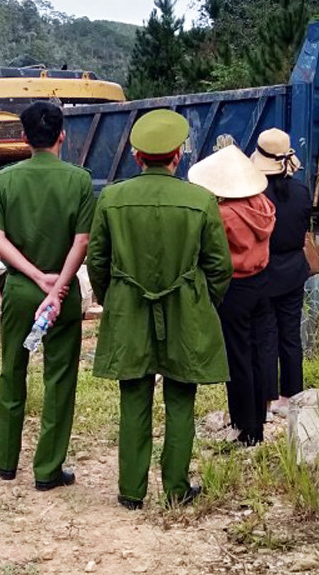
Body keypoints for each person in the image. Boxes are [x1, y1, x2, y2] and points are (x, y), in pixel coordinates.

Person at [88, 110, 232, 510]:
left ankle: (131, 492)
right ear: (178, 156)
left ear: (137, 157)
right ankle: (176, 489)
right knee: (181, 399)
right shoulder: (201, 201)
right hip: (186, 312)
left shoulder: (112, 199)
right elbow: (220, 268)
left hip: (129, 312)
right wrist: (201, 303)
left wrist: (113, 300)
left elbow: (97, 263)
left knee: (133, 398)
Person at [0, 101, 95, 492]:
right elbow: (82, 240)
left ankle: (5, 459)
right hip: (63, 295)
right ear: (62, 135)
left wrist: (34, 276)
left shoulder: (5, 179)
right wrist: (59, 285)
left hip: (19, 289)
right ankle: (48, 469)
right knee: (60, 378)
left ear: (23, 137)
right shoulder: (80, 180)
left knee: (12, 371)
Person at [189, 144, 276, 447]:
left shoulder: (223, 214)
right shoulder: (262, 205)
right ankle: (259, 424)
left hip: (234, 288)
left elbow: (207, 253)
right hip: (261, 284)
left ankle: (243, 427)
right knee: (258, 354)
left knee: (237, 359)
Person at [249, 129, 312, 418]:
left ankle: (266, 399)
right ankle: (292, 396)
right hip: (294, 271)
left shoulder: (253, 193)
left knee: (264, 337)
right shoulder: (301, 191)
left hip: (262, 271)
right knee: (291, 336)